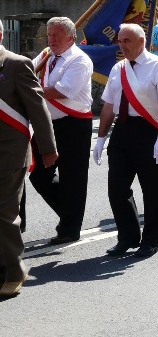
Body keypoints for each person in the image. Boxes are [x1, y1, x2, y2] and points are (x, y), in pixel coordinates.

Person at [93, 23, 158, 258]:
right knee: (116, 188)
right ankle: (128, 236)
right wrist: (100, 138)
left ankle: (150, 240)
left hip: (150, 130)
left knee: (152, 190)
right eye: (120, 41)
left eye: (127, 40)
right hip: (123, 130)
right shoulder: (118, 68)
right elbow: (108, 105)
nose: (122, 45)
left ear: (141, 41)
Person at [0, 21, 57, 298]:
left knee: (5, 213)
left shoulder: (15, 64)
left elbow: (37, 106)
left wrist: (47, 147)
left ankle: (15, 269)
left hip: (9, 152)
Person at [30, 17, 93, 245]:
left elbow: (62, 91)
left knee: (73, 177)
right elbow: (29, 72)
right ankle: (70, 213)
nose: (52, 39)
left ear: (70, 36)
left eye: (56, 35)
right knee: (38, 175)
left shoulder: (79, 60)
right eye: (49, 35)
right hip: (47, 124)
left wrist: (29, 89)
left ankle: (70, 228)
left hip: (73, 125)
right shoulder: (46, 55)